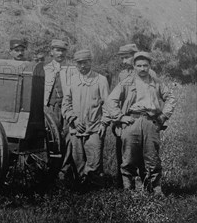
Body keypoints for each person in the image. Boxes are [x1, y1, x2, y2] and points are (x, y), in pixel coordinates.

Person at [106, 52, 176, 196]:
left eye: (145, 65)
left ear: (150, 66)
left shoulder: (157, 82)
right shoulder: (127, 82)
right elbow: (110, 100)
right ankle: (128, 189)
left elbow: (171, 98)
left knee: (152, 157)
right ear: (134, 66)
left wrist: (163, 116)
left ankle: (155, 189)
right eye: (139, 66)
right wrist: (120, 117)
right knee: (129, 157)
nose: (142, 69)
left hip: (151, 122)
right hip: (132, 121)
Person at [62, 49, 109, 187]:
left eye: (86, 62)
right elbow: (66, 104)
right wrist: (74, 120)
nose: (83, 66)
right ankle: (82, 192)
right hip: (76, 129)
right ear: (76, 64)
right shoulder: (72, 81)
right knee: (78, 162)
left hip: (94, 129)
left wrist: (104, 124)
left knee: (94, 163)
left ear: (91, 62)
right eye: (79, 63)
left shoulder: (101, 80)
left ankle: (95, 190)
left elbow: (107, 104)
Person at [43, 39, 76, 181]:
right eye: (57, 50)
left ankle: (64, 171)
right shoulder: (45, 69)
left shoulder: (71, 70)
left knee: (67, 137)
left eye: (63, 50)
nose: (60, 53)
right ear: (51, 52)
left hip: (66, 108)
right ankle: (50, 170)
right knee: (51, 139)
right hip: (50, 109)